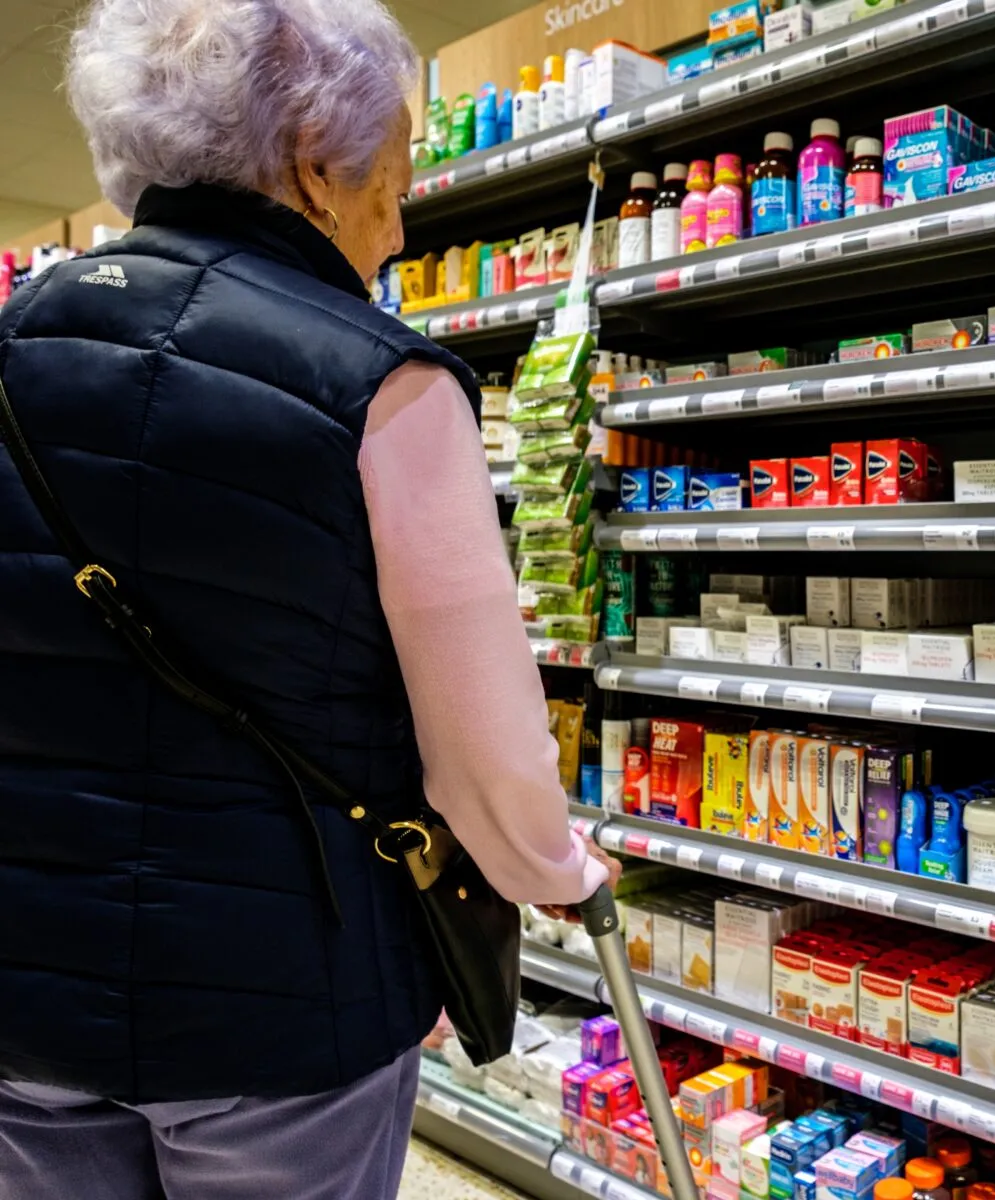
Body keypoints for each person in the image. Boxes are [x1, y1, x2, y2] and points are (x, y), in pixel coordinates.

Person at [0, 2, 617, 1195]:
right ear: (314, 168)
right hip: (280, 1000)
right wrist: (556, 870)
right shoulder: (385, 385)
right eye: (394, 180)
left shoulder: (12, 345)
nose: (399, 221)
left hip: (27, 982)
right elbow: (482, 757)